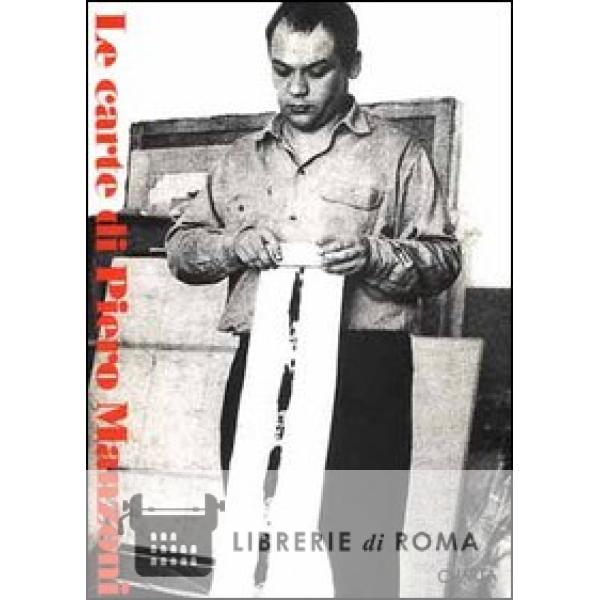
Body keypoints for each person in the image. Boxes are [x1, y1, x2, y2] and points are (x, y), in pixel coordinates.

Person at [165, 3, 461, 596]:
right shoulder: (239, 159)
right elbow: (181, 248)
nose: (296, 89)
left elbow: (444, 259)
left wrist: (374, 255)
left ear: (353, 64)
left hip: (364, 375)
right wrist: (232, 247)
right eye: (282, 71)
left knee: (361, 549)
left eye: (317, 70)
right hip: (261, 372)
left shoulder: (399, 153)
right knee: (254, 537)